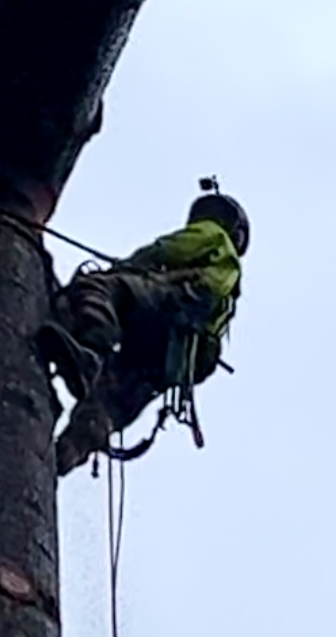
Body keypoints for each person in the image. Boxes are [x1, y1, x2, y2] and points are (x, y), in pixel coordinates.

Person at [45, 179, 249, 475]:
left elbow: (166, 250)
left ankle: (90, 347)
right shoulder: (227, 284)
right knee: (112, 398)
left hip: (174, 309)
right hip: (177, 356)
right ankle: (67, 453)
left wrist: (125, 267)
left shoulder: (215, 237)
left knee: (99, 288)